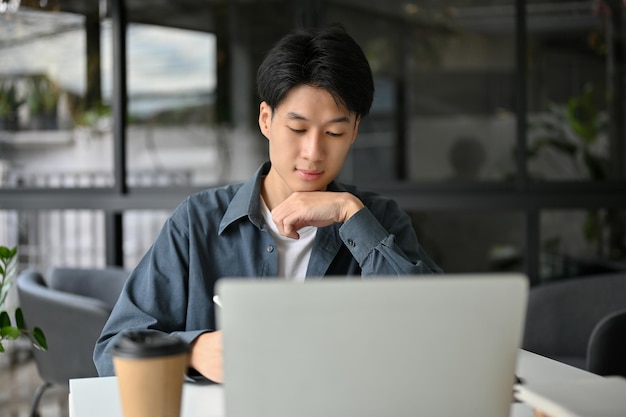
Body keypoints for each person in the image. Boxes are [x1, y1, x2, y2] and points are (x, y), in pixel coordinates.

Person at [93, 24, 442, 382]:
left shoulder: (379, 220)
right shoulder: (197, 222)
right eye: (297, 129)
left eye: (334, 133)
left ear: (354, 131)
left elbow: (439, 335)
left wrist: (349, 214)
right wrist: (192, 351)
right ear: (266, 120)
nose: (313, 152)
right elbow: (112, 353)